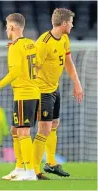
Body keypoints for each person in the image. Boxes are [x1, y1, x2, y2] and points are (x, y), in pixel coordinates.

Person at [0, 13, 40, 181]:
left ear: (13, 27)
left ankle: (29, 171)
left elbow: (15, 72)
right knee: (15, 130)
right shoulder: (30, 44)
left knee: (23, 132)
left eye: (7, 26)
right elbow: (37, 65)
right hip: (31, 91)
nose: (6, 29)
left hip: (24, 93)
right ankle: (19, 168)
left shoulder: (15, 46)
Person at [32, 8, 84, 179]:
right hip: (41, 90)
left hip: (54, 88)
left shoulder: (64, 39)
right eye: (70, 22)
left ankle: (51, 163)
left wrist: (77, 83)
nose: (72, 25)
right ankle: (34, 169)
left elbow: (68, 62)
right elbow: (33, 68)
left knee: (54, 125)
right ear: (63, 24)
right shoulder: (44, 43)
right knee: (44, 129)